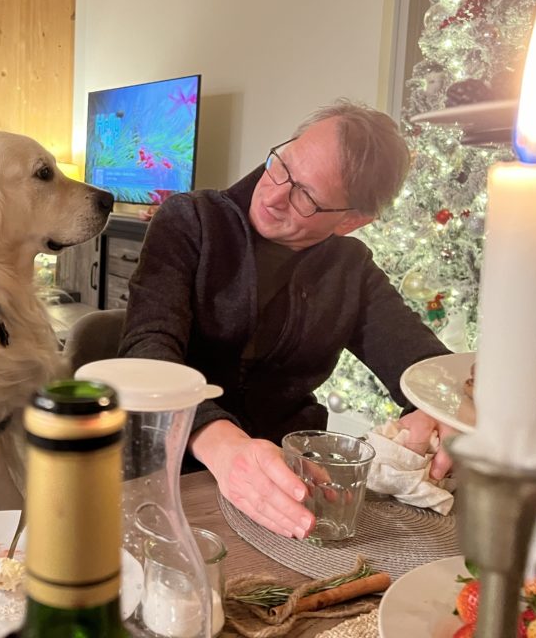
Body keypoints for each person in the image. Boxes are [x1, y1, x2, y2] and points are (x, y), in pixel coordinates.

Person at [119, 100, 455, 540]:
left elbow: (427, 369)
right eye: (282, 165)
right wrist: (221, 445)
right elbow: (147, 351)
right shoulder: (190, 220)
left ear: (352, 221)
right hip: (170, 472)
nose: (274, 195)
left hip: (293, 481)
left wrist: (439, 412)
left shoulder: (350, 268)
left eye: (307, 198)